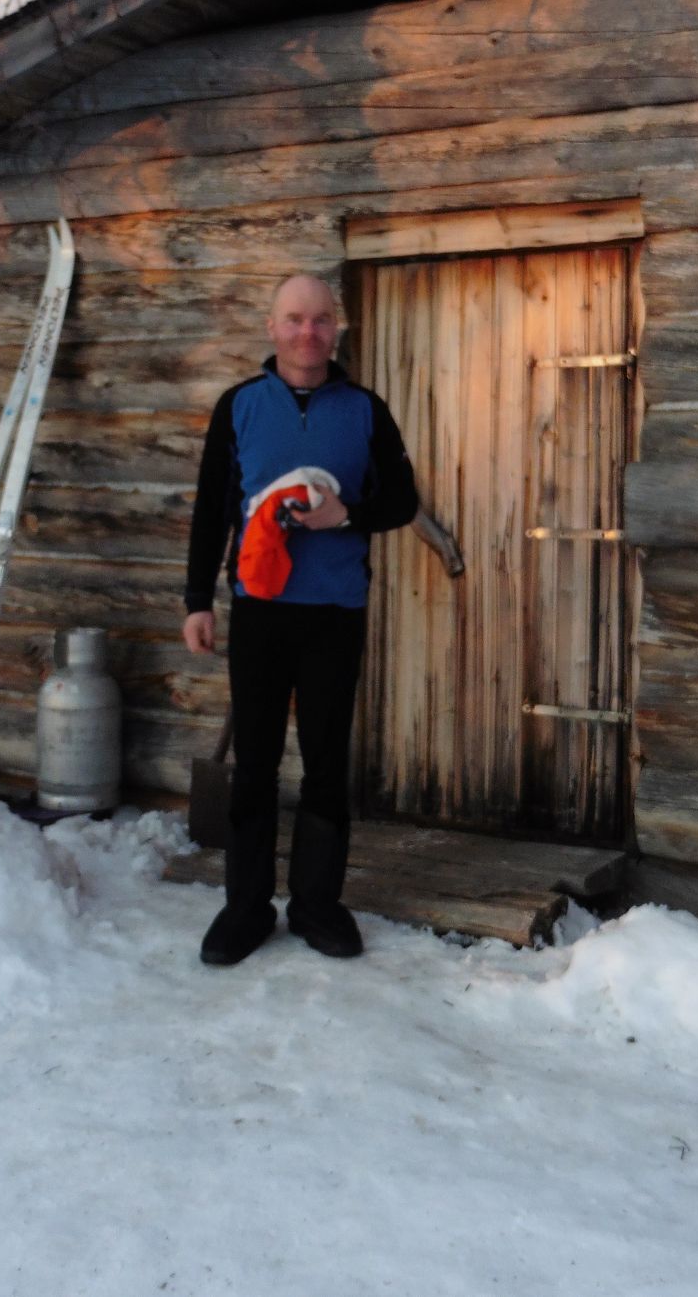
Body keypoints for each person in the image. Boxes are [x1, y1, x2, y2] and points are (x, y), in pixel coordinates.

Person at [182, 274, 419, 965]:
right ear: (271, 326)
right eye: (293, 319)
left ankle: (318, 905)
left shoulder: (366, 410)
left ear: (335, 327)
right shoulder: (239, 408)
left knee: (323, 762)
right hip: (259, 613)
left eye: (319, 320)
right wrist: (198, 599)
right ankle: (246, 908)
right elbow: (211, 509)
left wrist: (348, 514)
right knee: (254, 763)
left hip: (334, 612)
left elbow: (403, 500)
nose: (306, 332)